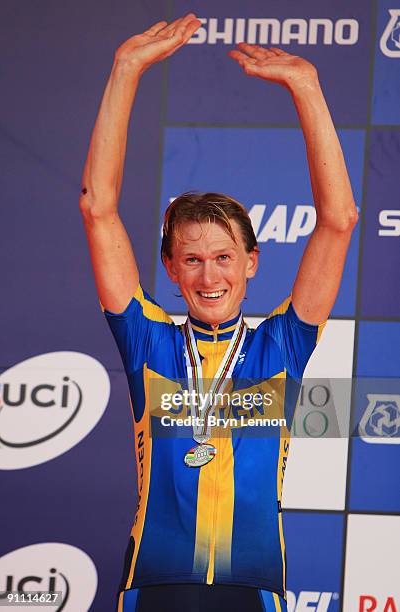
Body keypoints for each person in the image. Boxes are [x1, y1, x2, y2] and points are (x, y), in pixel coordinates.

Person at [79, 12, 358, 612]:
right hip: (152, 590)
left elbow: (339, 221)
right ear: (171, 268)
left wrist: (307, 87)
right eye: (193, 260)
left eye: (225, 257)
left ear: (252, 262)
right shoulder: (146, 341)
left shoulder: (278, 346)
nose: (211, 277)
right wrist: (126, 67)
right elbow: (98, 208)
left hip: (252, 591)